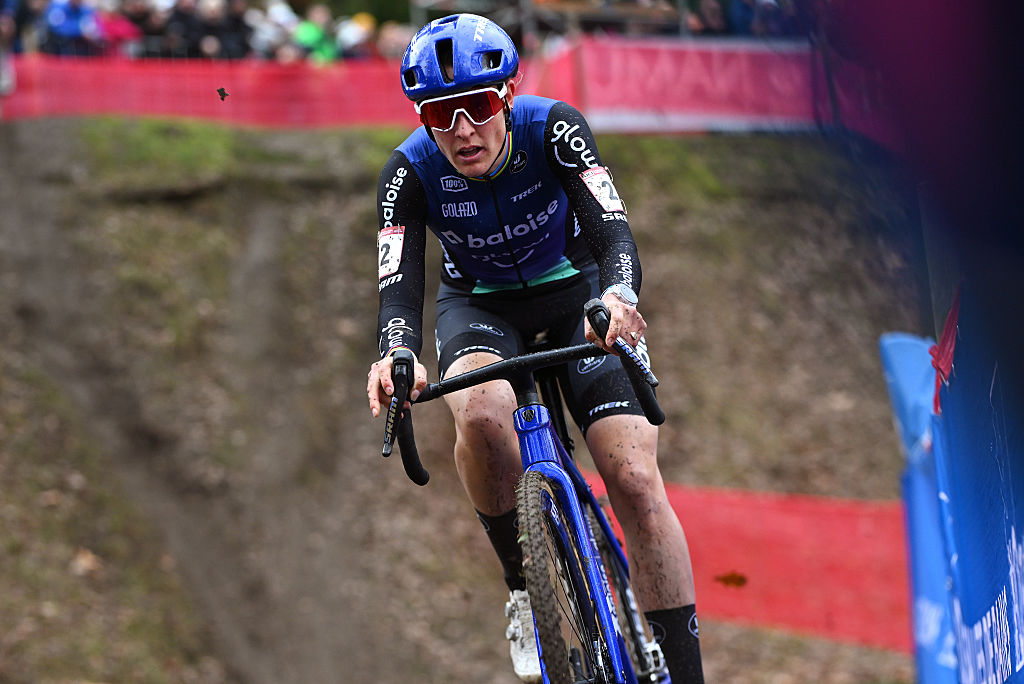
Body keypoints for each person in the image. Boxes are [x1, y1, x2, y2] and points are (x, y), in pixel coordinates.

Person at [366, 13, 705, 684]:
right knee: (483, 411)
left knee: (634, 478)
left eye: (477, 106)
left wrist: (619, 299)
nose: (461, 129)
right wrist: (395, 353)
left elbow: (612, 231)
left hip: (576, 295)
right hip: (481, 310)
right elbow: (397, 286)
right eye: (440, 114)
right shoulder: (408, 172)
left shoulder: (554, 128)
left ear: (509, 94)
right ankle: (525, 587)